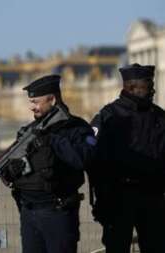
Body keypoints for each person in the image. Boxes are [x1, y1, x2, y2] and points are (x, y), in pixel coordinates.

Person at [1, 74, 96, 253]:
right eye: (30, 102)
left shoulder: (75, 127)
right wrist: (11, 170)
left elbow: (82, 159)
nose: (31, 107)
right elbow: (11, 162)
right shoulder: (30, 131)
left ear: (52, 99)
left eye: (35, 102)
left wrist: (52, 141)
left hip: (57, 212)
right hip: (28, 212)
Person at [89, 63, 165, 253]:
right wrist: (102, 197)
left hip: (153, 196)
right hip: (118, 197)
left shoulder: (160, 117)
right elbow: (92, 157)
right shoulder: (109, 116)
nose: (153, 89)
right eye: (148, 86)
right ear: (132, 88)